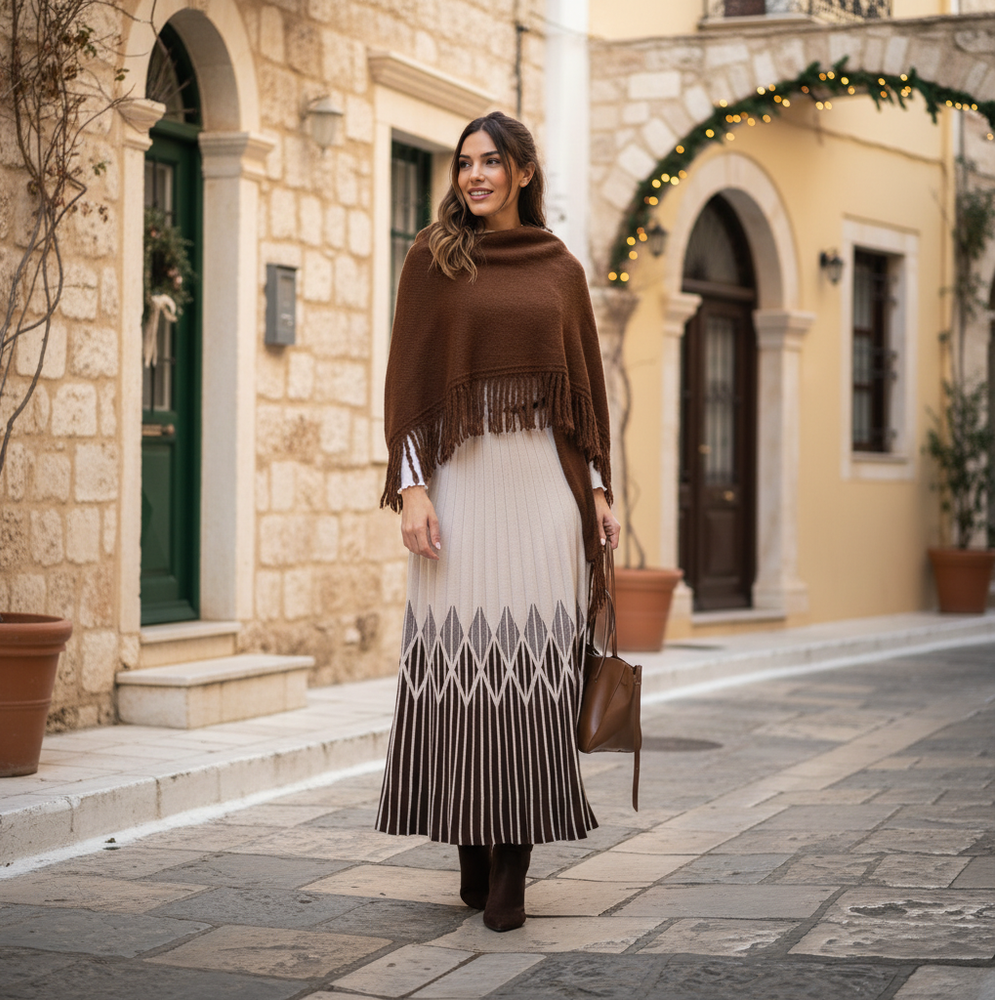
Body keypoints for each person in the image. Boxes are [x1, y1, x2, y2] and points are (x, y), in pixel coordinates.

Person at [376, 110, 620, 932]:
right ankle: (469, 848)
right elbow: (407, 389)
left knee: (533, 679)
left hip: (544, 503)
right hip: (460, 497)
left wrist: (599, 494)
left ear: (521, 171)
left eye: (491, 162)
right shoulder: (431, 258)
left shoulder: (560, 270)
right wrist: (412, 492)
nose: (474, 176)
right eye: (464, 163)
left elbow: (582, 398)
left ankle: (511, 863)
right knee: (459, 674)